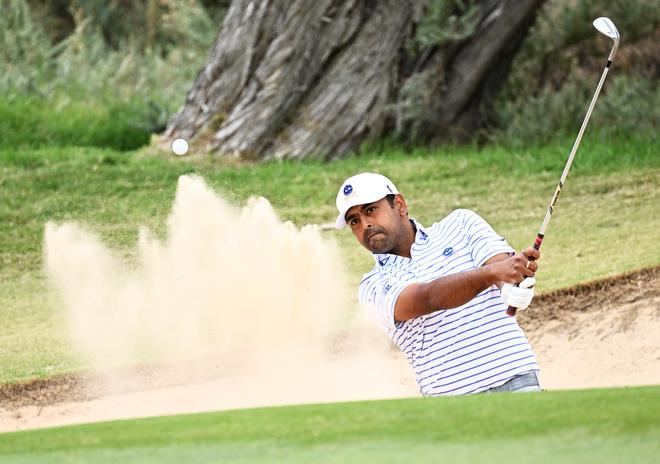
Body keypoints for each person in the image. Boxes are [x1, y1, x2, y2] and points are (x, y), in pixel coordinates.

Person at [335, 172, 541, 395]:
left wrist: (511, 286)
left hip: (517, 380)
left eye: (370, 210)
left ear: (400, 205)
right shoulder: (372, 286)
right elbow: (427, 298)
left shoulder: (461, 223)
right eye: (354, 221)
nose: (365, 224)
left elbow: (502, 266)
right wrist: (494, 274)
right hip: (452, 404)